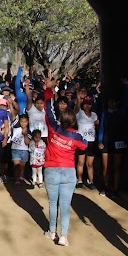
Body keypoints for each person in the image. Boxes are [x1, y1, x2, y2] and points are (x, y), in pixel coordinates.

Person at [42, 72, 88, 246]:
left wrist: (48, 89)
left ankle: (52, 232)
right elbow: (84, 145)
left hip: (52, 170)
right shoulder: (76, 136)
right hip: (69, 172)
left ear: (61, 119)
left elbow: (48, 109)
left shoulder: (54, 128)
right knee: (66, 205)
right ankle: (64, 237)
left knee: (53, 203)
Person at [97, 78, 128, 197]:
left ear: (117, 102)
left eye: (113, 101)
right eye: (109, 101)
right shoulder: (105, 113)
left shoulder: (121, 112)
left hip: (118, 141)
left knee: (117, 167)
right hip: (106, 142)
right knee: (106, 167)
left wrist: (127, 87)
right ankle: (106, 187)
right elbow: (101, 128)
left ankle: (115, 189)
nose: (111, 103)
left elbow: (126, 100)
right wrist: (100, 141)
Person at [75, 95, 99, 190]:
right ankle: (80, 180)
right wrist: (77, 93)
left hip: (91, 141)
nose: (87, 106)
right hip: (82, 141)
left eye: (89, 104)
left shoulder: (94, 115)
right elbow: (77, 106)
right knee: (80, 162)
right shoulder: (79, 113)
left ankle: (90, 181)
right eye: (85, 104)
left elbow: (97, 126)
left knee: (90, 164)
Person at [10, 114, 31, 185]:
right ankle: (16, 180)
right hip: (15, 149)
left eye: (25, 122)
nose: (23, 123)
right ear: (19, 122)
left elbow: (27, 142)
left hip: (24, 150)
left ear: (28, 122)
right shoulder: (16, 127)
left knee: (22, 166)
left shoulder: (29, 131)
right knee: (16, 165)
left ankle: (21, 177)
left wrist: (25, 134)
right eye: (22, 122)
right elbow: (13, 116)